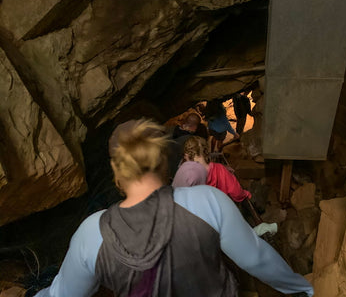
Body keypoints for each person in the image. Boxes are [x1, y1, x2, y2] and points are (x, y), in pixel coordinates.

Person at [34, 119, 313, 297]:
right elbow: (256, 259)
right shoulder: (207, 202)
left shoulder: (92, 234)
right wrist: (302, 287)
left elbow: (62, 294)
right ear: (165, 163)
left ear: (116, 172)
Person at [181, 136, 251, 203]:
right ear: (206, 151)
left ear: (187, 156)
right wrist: (245, 194)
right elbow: (236, 192)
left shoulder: (186, 175)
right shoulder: (220, 169)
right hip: (218, 207)